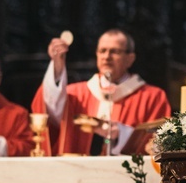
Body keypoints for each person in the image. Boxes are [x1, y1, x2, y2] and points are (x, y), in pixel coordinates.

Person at [32, 29, 171, 155]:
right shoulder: (75, 94)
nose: (106, 56)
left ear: (130, 59)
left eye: (114, 51)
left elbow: (159, 142)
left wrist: (122, 133)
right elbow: (51, 109)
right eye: (102, 51)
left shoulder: (153, 97)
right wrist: (57, 69)